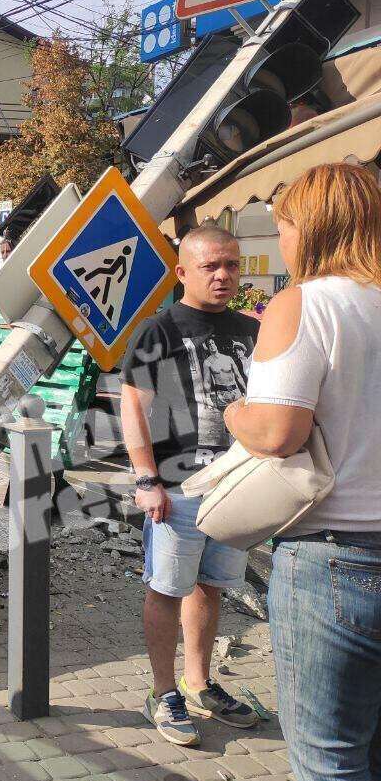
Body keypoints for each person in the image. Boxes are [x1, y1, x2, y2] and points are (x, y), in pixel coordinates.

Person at [225, 162, 381, 781]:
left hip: (333, 559)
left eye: (283, 226)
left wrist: (235, 413)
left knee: (330, 757)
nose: (281, 241)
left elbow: (279, 430)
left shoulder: (305, 302)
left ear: (310, 229)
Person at [120, 224, 260, 747]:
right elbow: (134, 407)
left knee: (212, 585)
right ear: (182, 272)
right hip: (177, 487)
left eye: (231, 264)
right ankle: (162, 691)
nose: (223, 276)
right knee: (166, 587)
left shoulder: (251, 330)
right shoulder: (159, 329)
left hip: (236, 484)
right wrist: (146, 479)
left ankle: (199, 682)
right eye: (210, 266)